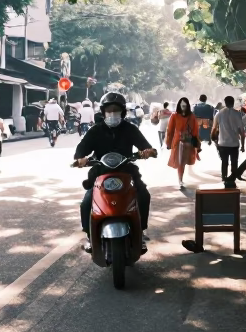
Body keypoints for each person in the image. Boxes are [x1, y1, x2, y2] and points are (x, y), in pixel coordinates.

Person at [73, 92, 156, 243]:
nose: (112, 114)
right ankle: (89, 235)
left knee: (144, 195)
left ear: (122, 112)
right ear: (103, 112)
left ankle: (141, 230)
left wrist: (147, 151)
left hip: (127, 171)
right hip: (100, 172)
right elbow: (82, 149)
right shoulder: (95, 130)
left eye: (116, 110)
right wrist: (80, 159)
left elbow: (145, 145)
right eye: (109, 110)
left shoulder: (130, 129)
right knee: (86, 202)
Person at [165, 97, 201, 187]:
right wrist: (168, 143)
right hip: (178, 142)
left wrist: (197, 144)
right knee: (180, 162)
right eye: (182, 105)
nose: (183, 107)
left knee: (183, 162)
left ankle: (180, 178)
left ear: (187, 106)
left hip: (188, 143)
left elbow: (195, 131)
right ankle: (180, 179)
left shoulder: (192, 116)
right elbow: (170, 130)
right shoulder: (174, 115)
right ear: (179, 105)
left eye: (184, 105)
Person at [212, 95, 245, 188]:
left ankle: (224, 177)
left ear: (225, 103)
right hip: (234, 144)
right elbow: (242, 131)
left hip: (222, 143)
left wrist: (214, 140)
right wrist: (243, 145)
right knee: (234, 162)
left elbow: (214, 128)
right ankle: (232, 179)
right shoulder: (237, 114)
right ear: (233, 103)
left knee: (224, 162)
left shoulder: (219, 114)